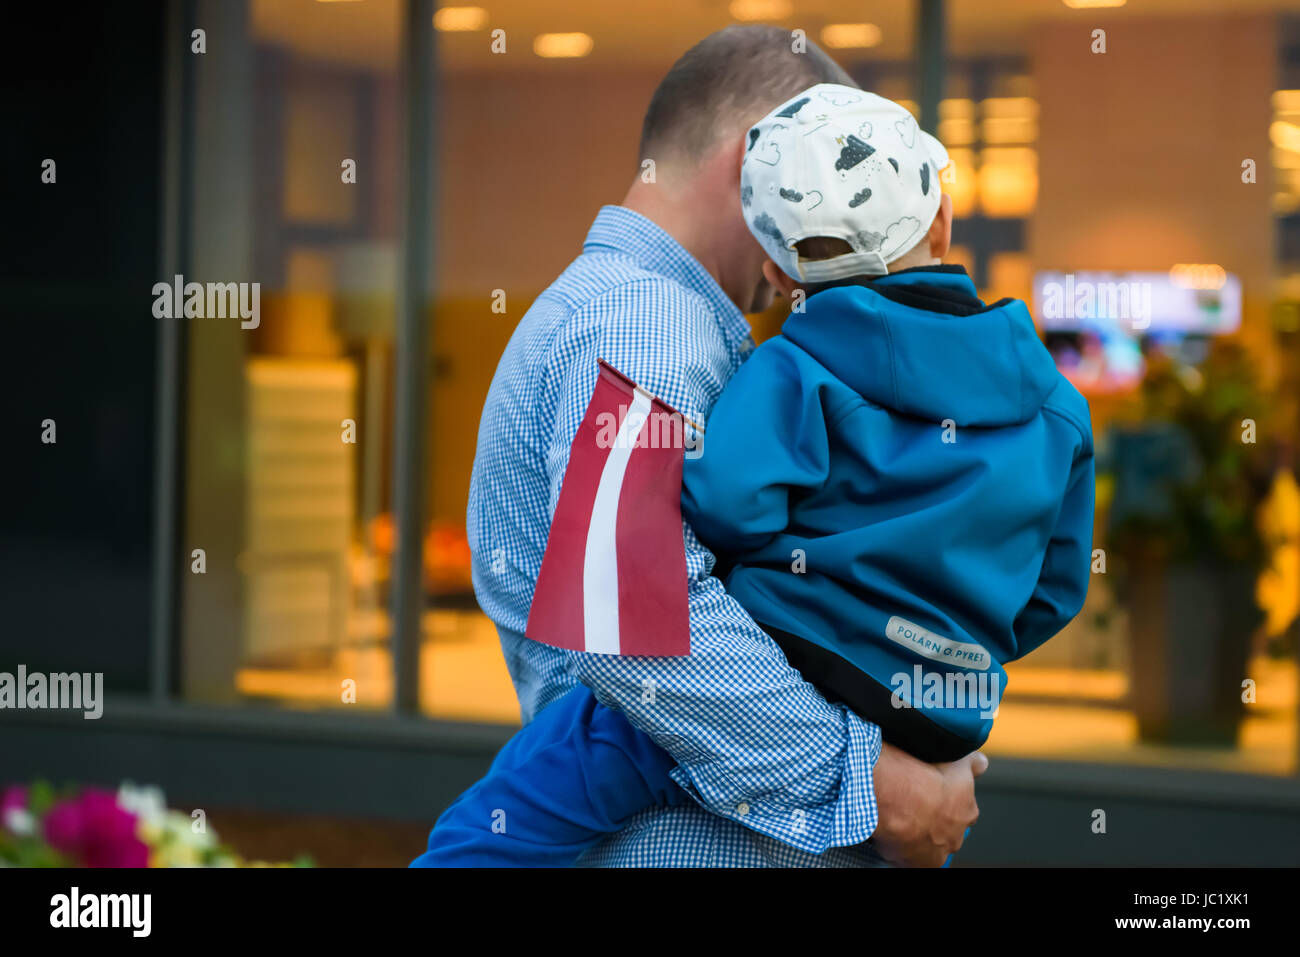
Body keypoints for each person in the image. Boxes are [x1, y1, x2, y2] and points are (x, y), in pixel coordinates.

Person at [417, 28, 985, 869]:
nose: (824, 242)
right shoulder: (644, 322)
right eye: (821, 190)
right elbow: (636, 621)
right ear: (754, 163)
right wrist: (876, 782)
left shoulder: (664, 324)